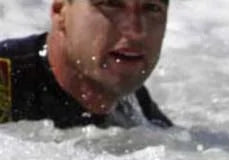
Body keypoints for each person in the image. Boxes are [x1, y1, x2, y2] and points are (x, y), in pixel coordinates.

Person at [0, 0, 171, 129]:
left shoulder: (134, 106)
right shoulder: (8, 78)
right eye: (112, 4)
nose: (135, 32)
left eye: (152, 8)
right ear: (60, 11)